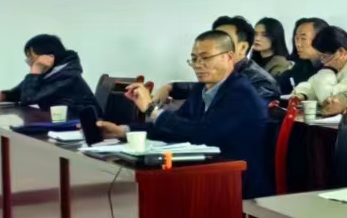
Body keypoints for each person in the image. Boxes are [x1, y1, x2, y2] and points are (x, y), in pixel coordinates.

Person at [100, 29, 271, 197]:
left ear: (228, 57)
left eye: (205, 58)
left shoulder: (241, 93)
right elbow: (176, 127)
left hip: (237, 184)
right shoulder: (201, 90)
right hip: (206, 174)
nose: (198, 65)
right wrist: (124, 131)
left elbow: (202, 135)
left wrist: (152, 109)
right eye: (194, 59)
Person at [0, 34, 97, 114]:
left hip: (79, 127)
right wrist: (2, 96)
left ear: (49, 56)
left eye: (32, 58)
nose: (30, 62)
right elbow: (22, 92)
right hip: (59, 123)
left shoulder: (68, 76)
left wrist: (36, 70)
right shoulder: (51, 72)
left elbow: (28, 99)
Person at [291, 27, 347, 105]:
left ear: (341, 52)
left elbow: (329, 99)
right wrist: (303, 94)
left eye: (324, 56)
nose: (323, 62)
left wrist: (327, 71)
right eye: (320, 57)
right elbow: (314, 83)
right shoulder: (341, 62)